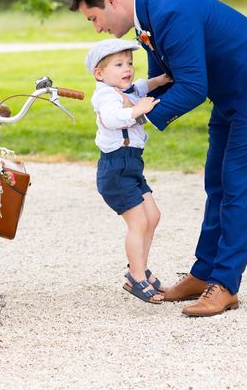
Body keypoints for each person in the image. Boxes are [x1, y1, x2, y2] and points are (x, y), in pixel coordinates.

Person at [71, 0, 247, 317]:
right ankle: (203, 273)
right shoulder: (148, 16)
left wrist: (139, 116)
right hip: (231, 94)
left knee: (238, 187)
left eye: (93, 18)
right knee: (217, 184)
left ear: (109, 0)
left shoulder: (170, 13)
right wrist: (124, 110)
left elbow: (193, 87)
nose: (97, 28)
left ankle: (225, 285)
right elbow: (165, 80)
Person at [86, 38, 173, 304]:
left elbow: (141, 86)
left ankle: (140, 267)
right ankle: (135, 277)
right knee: (138, 223)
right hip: (115, 169)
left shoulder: (125, 88)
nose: (128, 69)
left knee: (153, 216)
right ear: (99, 74)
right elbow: (112, 118)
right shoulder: (104, 95)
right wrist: (137, 110)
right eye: (119, 64)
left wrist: (158, 82)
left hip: (132, 165)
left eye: (130, 63)